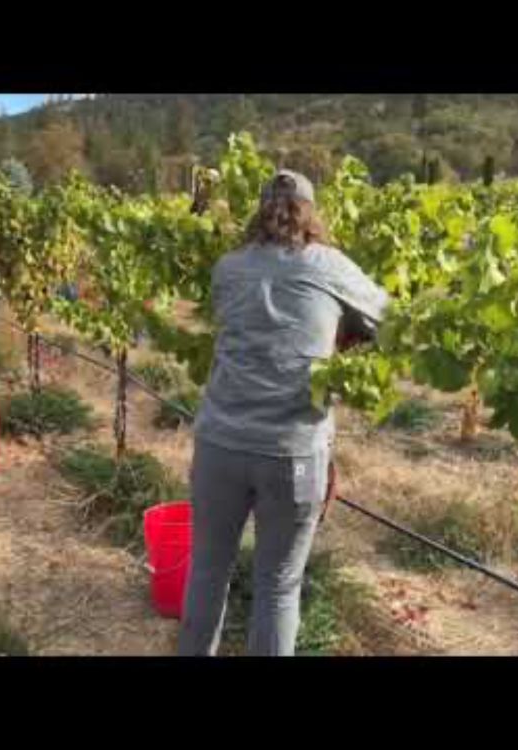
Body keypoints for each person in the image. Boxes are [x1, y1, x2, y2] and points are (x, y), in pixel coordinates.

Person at [178, 170, 389, 657]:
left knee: (208, 571)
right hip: (290, 453)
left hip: (219, 445)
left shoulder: (227, 268)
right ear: (310, 215)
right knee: (278, 587)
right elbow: (386, 314)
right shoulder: (330, 266)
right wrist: (345, 336)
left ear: (260, 211)